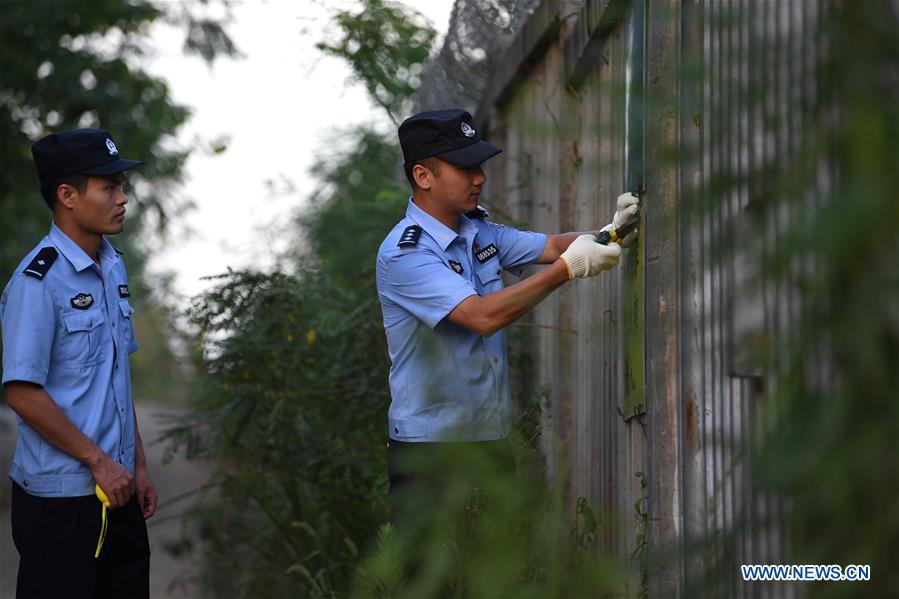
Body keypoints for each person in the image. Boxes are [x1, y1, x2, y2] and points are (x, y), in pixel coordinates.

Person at [376, 109, 639, 531]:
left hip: (490, 443)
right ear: (423, 176)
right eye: (465, 167)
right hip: (431, 454)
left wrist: (611, 231)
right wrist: (568, 270)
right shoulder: (406, 254)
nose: (479, 177)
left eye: (478, 165)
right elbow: (481, 317)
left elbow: (553, 246)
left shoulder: (477, 231)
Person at [1, 128, 156, 598]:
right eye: (109, 187)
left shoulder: (111, 266)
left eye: (121, 187)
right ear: (67, 196)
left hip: (118, 487)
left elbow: (115, 378)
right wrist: (99, 462)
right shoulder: (38, 281)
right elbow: (21, 391)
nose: (123, 198)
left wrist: (137, 464)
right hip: (63, 500)